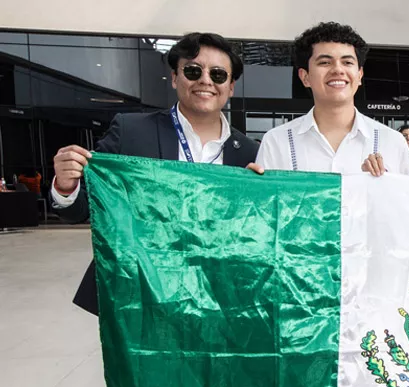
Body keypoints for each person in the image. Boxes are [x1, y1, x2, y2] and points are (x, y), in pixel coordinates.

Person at [50, 32, 259, 315]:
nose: (205, 80)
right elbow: (82, 208)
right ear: (174, 78)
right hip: (138, 291)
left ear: (230, 86)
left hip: (215, 297)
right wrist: (66, 187)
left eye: (218, 74)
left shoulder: (249, 153)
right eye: (193, 71)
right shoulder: (131, 132)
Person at [252, 22, 409, 177]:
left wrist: (380, 184)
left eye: (347, 62)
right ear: (305, 77)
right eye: (325, 62)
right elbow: (265, 195)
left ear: (359, 75)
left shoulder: (392, 142)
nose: (338, 69)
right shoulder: (277, 142)